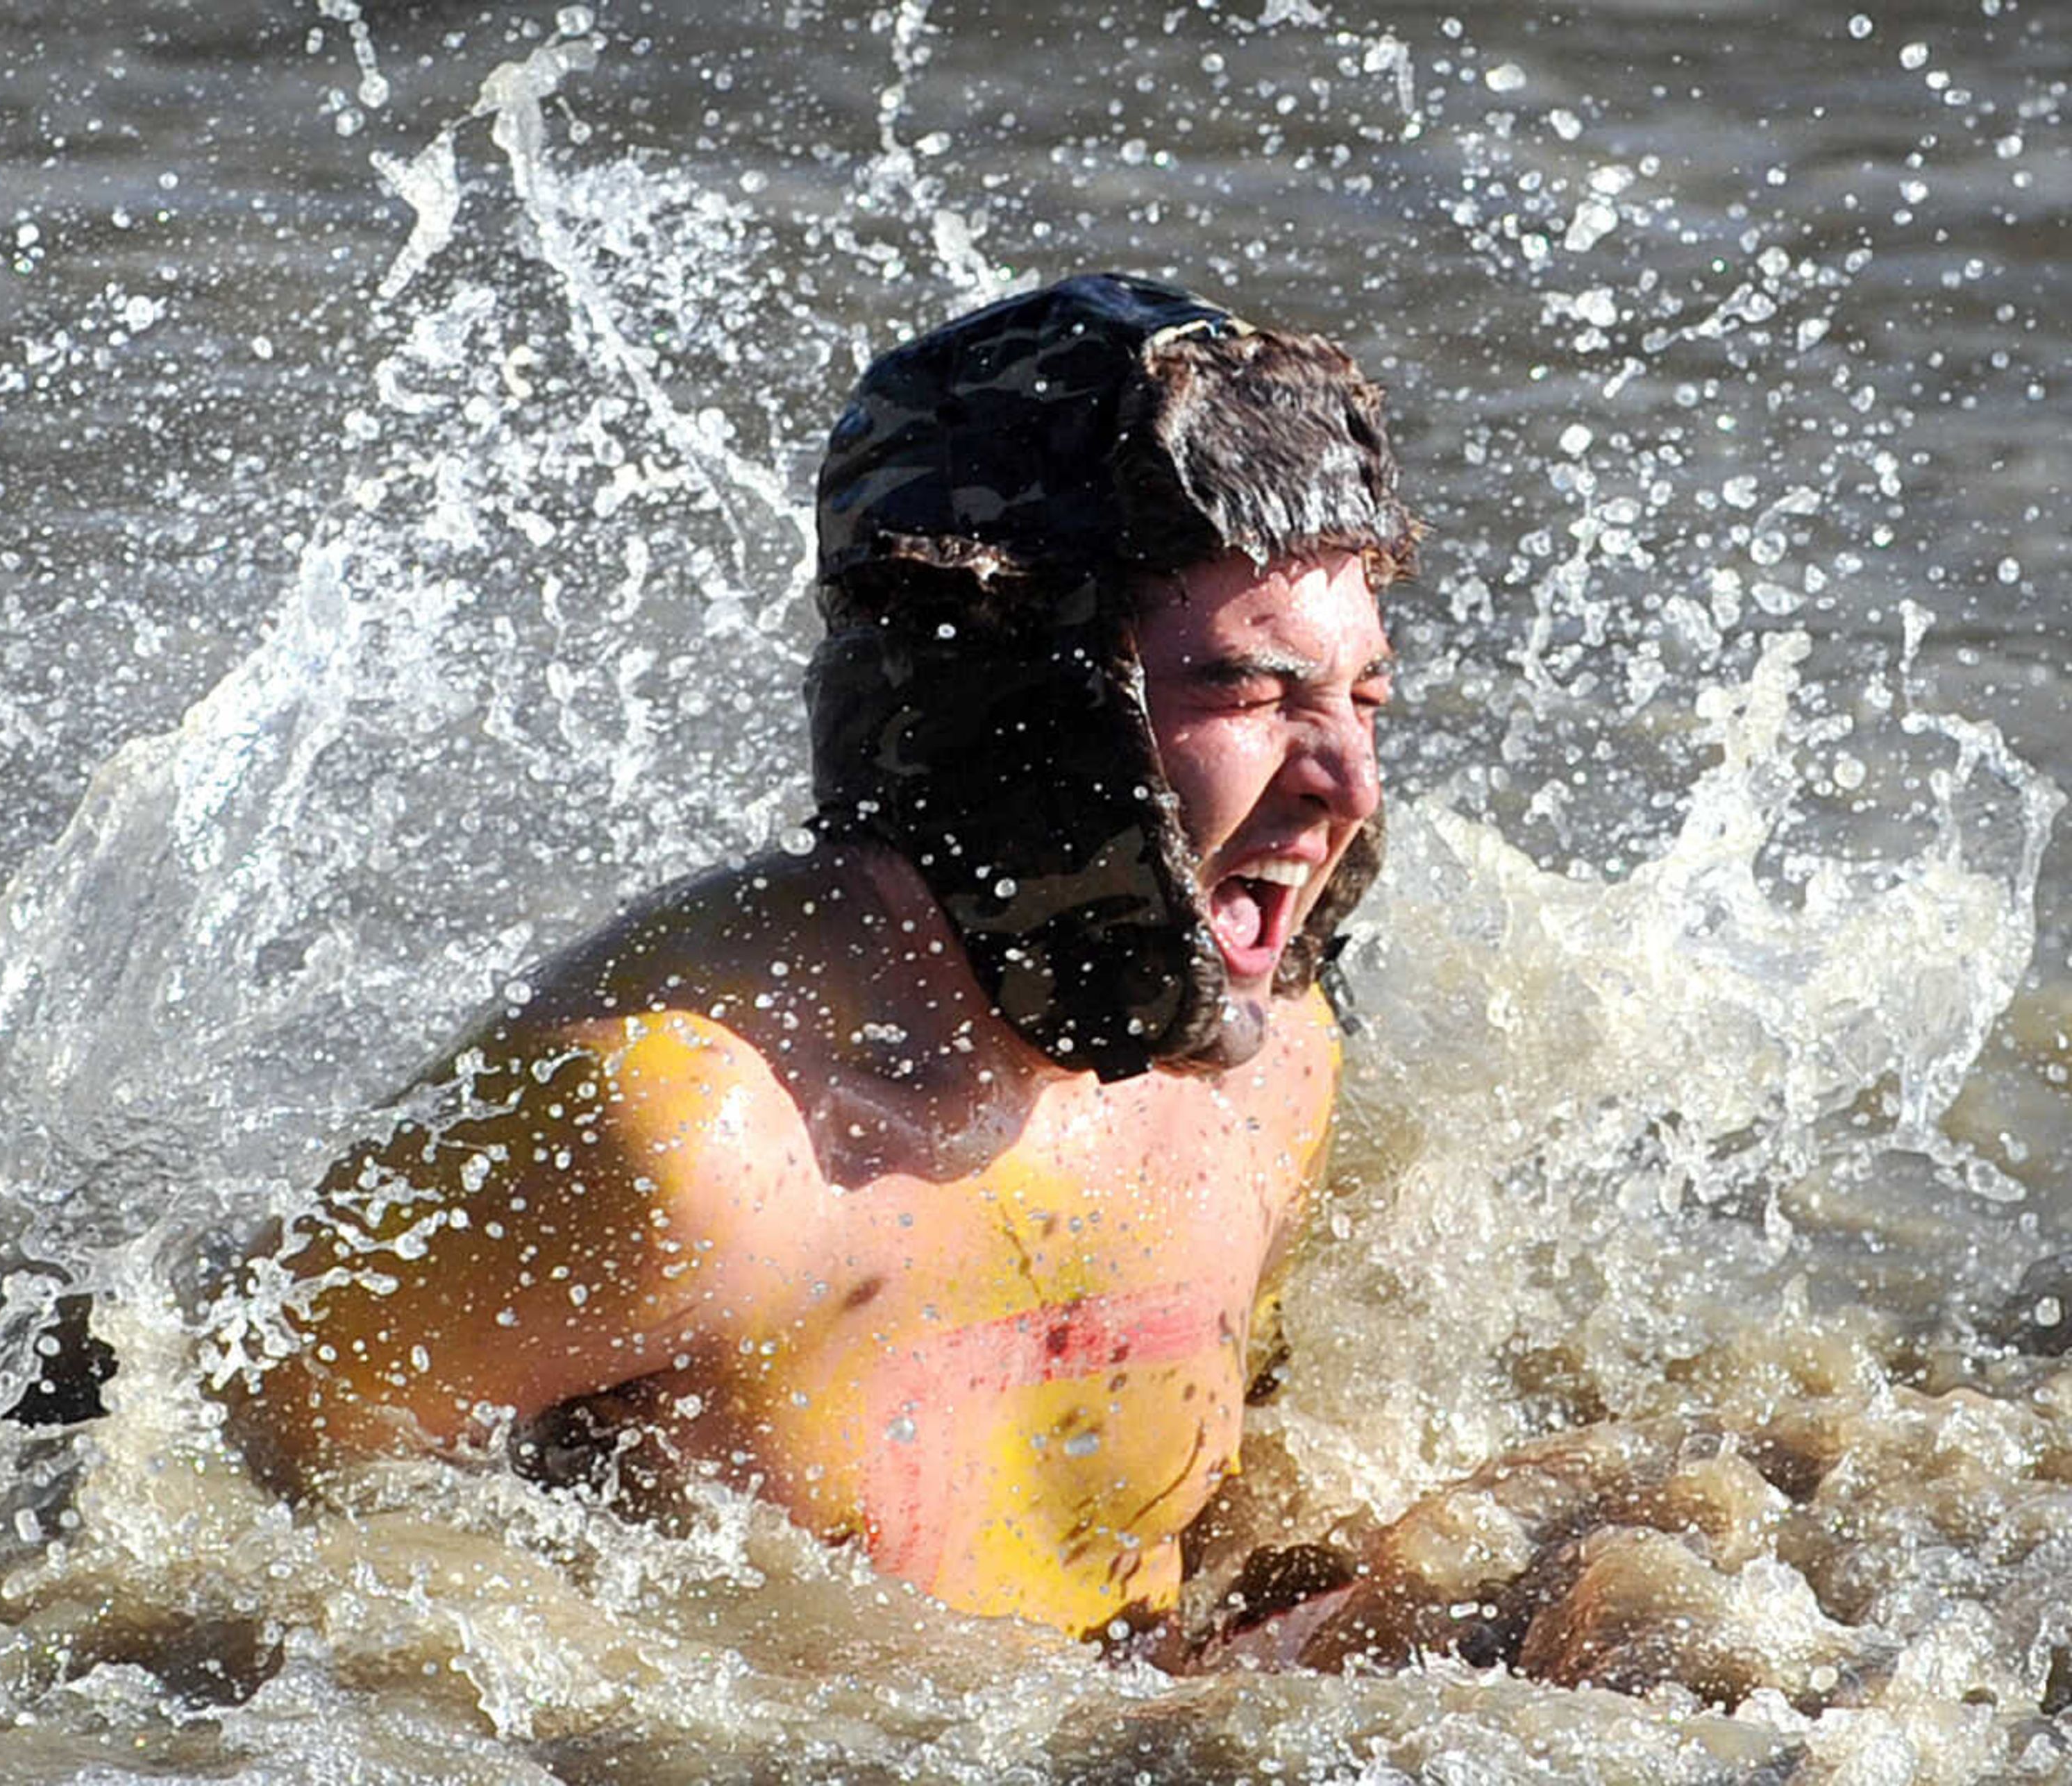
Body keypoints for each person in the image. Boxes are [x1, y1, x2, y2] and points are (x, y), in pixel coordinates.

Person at [214, 272, 1414, 1647]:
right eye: (1245, 690)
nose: (1347, 783)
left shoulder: (1266, 1075)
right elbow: (190, 1509)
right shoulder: (686, 1136)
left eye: (1363, 695)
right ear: (1022, 697)